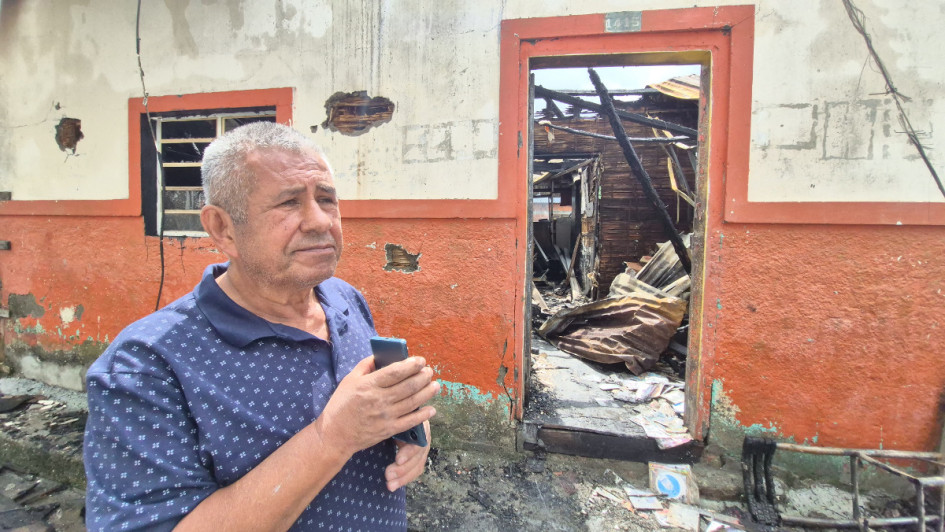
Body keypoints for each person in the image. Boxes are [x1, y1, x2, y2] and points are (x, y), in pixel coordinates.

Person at [83, 121, 439, 531]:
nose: (319, 221)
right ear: (222, 228)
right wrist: (332, 438)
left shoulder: (344, 298)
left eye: (327, 199)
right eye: (289, 203)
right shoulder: (146, 365)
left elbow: (373, 403)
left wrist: (408, 423)